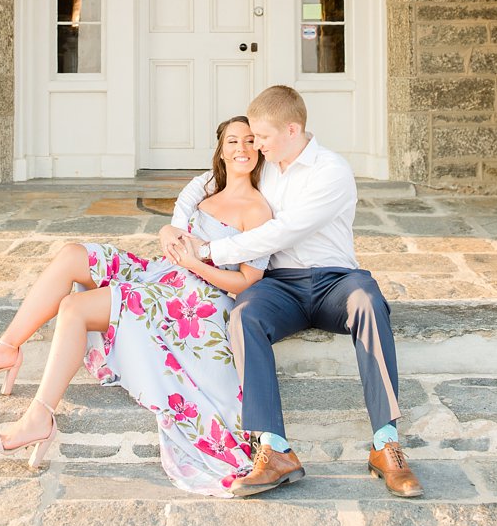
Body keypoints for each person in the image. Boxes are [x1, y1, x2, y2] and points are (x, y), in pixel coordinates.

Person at [0, 117, 272, 496]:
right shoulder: (207, 186)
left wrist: (193, 264)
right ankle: (7, 348)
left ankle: (38, 417)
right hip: (162, 273)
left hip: (194, 299)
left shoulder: (257, 210)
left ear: (261, 148)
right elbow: (175, 225)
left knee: (74, 307)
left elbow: (247, 281)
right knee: (73, 254)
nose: (242, 149)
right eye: (233, 141)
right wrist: (168, 232)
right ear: (221, 149)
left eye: (250, 141)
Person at [164, 84, 422, 499]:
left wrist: (209, 250)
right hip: (279, 285)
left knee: (369, 302)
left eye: (262, 137)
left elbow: (282, 232)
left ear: (291, 129)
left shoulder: (330, 171)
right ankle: (275, 448)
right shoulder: (266, 165)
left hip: (336, 280)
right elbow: (206, 181)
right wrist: (175, 225)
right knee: (244, 314)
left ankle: (385, 443)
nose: (256, 145)